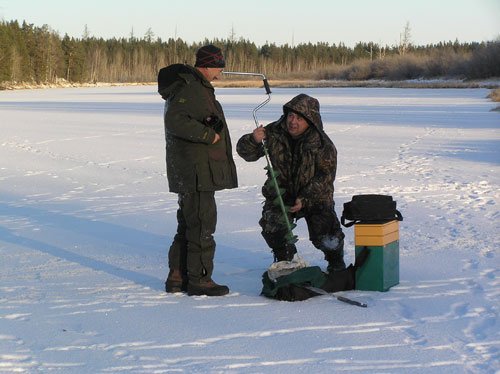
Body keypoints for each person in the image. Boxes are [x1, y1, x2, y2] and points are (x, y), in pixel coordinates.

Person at [158, 45, 237, 296]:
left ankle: (177, 276)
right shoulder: (191, 87)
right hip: (196, 171)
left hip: (193, 169)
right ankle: (200, 280)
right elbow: (175, 120)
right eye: (219, 64)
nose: (221, 68)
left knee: (189, 223)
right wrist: (208, 135)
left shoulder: (195, 87)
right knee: (202, 224)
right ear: (207, 65)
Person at [236, 93, 345, 273]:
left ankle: (335, 261)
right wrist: (253, 140)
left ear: (310, 121)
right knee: (272, 224)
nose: (293, 121)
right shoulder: (274, 133)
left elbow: (325, 178)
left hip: (313, 197)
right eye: (291, 116)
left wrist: (305, 198)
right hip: (281, 194)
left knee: (325, 231)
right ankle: (287, 259)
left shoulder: (323, 144)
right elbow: (246, 153)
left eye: (299, 118)